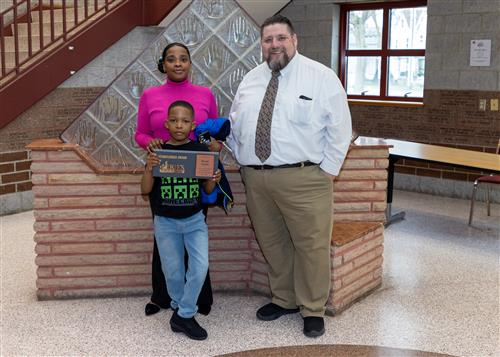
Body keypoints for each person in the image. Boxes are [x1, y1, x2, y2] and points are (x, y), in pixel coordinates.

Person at [227, 14, 352, 338]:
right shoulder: (250, 80)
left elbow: (340, 129)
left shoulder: (321, 77)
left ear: (294, 40)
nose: (274, 45)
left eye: (281, 38)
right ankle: (284, 299)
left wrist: (327, 172)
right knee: (273, 243)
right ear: (261, 45)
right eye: (268, 40)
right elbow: (236, 123)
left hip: (304, 179)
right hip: (256, 179)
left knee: (311, 246)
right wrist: (238, 156)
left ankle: (312, 309)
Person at [135, 42, 219, 316]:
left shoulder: (205, 94)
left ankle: (199, 298)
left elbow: (212, 131)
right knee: (165, 240)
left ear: (190, 63)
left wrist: (211, 145)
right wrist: (153, 142)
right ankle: (161, 297)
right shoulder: (149, 95)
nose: (178, 63)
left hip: (196, 175)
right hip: (162, 174)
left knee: (195, 237)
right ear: (164, 64)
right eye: (172, 59)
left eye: (183, 58)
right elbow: (140, 134)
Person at [141, 100, 221, 340]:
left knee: (199, 267)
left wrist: (213, 179)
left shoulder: (201, 151)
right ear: (166, 124)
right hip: (165, 222)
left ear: (193, 125)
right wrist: (149, 168)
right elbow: (145, 190)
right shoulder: (158, 151)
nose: (179, 125)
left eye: (185, 121)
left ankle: (184, 314)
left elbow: (207, 188)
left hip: (195, 220)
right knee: (173, 272)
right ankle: (179, 310)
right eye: (174, 120)